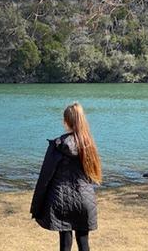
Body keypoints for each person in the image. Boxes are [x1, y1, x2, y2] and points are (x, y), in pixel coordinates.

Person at [30, 102, 102, 251]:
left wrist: (36, 207)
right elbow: (92, 173)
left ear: (66, 121)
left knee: (65, 244)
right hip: (84, 199)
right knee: (84, 243)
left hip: (61, 201)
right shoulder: (88, 144)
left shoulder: (58, 145)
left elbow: (45, 178)